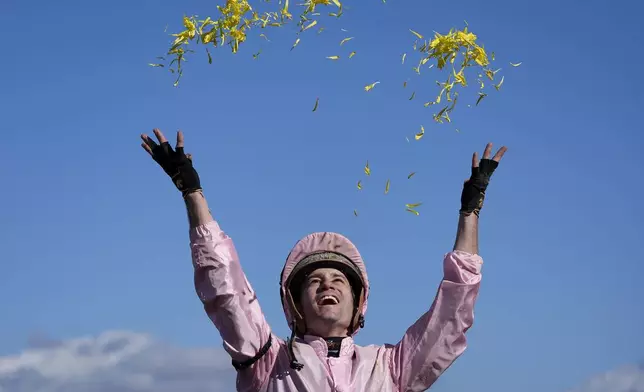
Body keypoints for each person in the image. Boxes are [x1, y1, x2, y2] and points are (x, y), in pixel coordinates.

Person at [140, 129, 507, 392]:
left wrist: (470, 212)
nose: (327, 284)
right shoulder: (268, 363)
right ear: (295, 306)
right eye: (314, 281)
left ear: (358, 304)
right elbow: (226, 291)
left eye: (339, 279)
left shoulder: (392, 368)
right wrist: (192, 192)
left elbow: (451, 316)